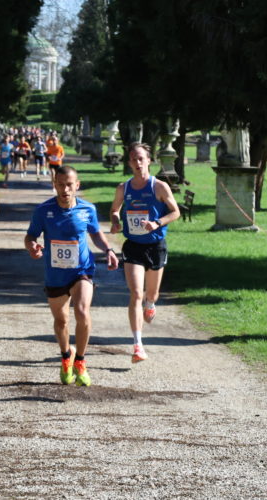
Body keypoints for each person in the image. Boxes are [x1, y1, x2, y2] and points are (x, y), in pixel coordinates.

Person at [25, 166, 119, 386]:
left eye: (69, 185)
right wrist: (32, 247)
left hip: (82, 270)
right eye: (60, 184)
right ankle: (66, 355)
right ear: (54, 185)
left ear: (77, 185)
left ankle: (81, 361)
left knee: (82, 311)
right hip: (55, 274)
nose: (65, 189)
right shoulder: (43, 210)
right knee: (61, 320)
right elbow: (30, 236)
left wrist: (108, 250)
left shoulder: (87, 209)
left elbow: (95, 233)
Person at [109, 143, 180, 363]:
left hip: (155, 246)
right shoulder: (123, 188)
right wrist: (115, 221)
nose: (137, 162)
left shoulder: (159, 187)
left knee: (152, 294)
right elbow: (114, 209)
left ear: (149, 160)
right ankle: (138, 345)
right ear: (129, 162)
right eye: (133, 159)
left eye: (141, 158)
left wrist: (157, 223)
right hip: (133, 246)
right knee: (136, 294)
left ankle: (151, 304)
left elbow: (175, 212)